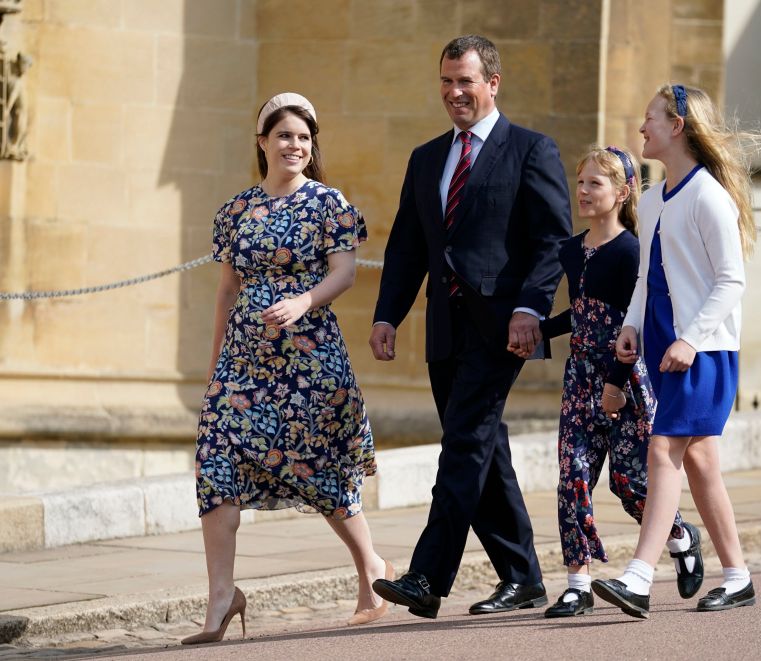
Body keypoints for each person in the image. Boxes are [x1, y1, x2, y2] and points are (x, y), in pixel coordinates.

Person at [368, 35, 572, 619]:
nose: (454, 92)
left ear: (492, 84)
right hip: (443, 327)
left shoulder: (532, 150)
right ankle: (523, 577)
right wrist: (387, 314)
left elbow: (552, 242)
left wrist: (531, 309)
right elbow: (407, 245)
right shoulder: (427, 157)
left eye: (465, 81)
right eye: (446, 81)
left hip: (503, 327)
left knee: (462, 443)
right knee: (484, 449)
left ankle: (428, 576)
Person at [183, 93, 393, 645]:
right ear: (262, 142)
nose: (294, 145)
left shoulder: (329, 203)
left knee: (317, 468)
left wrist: (303, 301)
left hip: (310, 362)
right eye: (283, 135)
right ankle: (222, 597)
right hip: (243, 364)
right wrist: (214, 371)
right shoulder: (234, 212)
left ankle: (371, 565)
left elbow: (344, 274)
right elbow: (227, 290)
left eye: (303, 137)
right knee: (215, 464)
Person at [592, 84, 758, 618]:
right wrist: (632, 327)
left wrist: (691, 340)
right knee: (703, 460)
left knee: (664, 451)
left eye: (650, 119)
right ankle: (738, 577)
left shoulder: (710, 196)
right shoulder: (651, 197)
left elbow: (731, 281)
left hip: (703, 349)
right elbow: (645, 277)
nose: (641, 128)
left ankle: (639, 577)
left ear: (678, 126)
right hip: (664, 342)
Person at [537, 146, 703, 619]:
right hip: (579, 380)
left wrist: (616, 381)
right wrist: (540, 329)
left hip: (625, 380)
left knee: (630, 483)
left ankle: (679, 535)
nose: (584, 191)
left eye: (596, 183)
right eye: (581, 181)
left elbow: (628, 321)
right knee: (573, 476)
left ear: (622, 191)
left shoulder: (633, 250)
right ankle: (576, 583)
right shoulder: (571, 250)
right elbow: (584, 310)